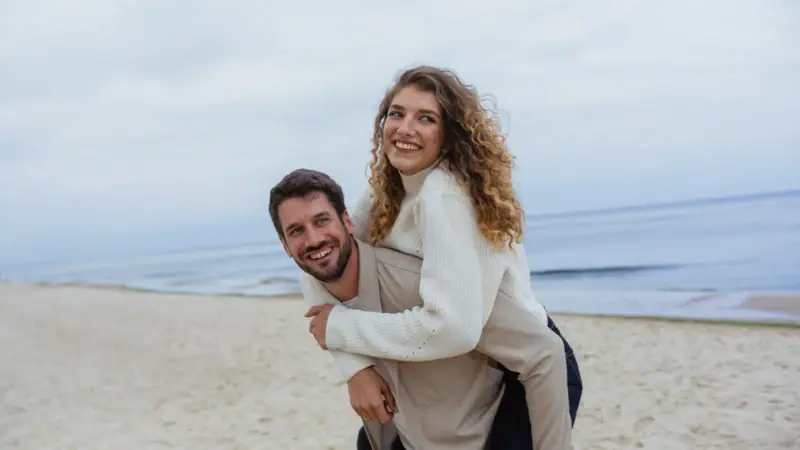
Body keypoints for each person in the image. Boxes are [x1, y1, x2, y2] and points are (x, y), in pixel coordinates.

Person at [297, 64, 581, 450]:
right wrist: (356, 368)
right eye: (396, 114)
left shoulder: (443, 196)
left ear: (448, 137)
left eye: (425, 118)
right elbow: (323, 258)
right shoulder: (388, 190)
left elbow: (453, 329)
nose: (405, 128)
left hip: (528, 368)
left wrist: (341, 329)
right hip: (471, 366)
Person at [270, 168, 509, 449]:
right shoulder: (327, 266)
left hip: (510, 391)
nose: (312, 239)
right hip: (409, 430)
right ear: (284, 245)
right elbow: (311, 277)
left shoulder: (421, 275)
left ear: (347, 221)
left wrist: (341, 331)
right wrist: (356, 370)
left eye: (321, 220)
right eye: (296, 231)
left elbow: (535, 349)